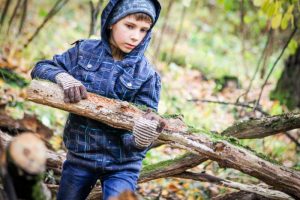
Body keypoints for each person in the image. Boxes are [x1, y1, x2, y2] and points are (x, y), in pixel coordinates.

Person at [30, 0, 164, 199]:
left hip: (122, 165)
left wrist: (140, 139)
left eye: (144, 30)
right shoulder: (84, 51)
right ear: (111, 22)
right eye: (129, 26)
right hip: (80, 157)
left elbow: (143, 125)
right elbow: (40, 68)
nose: (136, 36)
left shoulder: (147, 75)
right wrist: (63, 77)